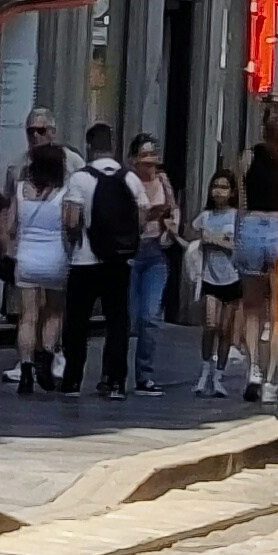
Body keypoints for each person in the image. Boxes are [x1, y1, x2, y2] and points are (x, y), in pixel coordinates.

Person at [72, 122, 142, 397]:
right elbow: (143, 215)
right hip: (119, 261)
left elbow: (70, 218)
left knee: (78, 322)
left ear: (90, 145)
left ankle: (73, 379)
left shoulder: (80, 178)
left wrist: (74, 242)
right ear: (113, 146)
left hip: (84, 259)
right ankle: (114, 380)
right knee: (117, 321)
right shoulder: (130, 178)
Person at [5, 144, 73, 392]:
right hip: (55, 259)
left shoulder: (21, 190)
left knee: (27, 317)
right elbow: (69, 225)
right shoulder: (64, 193)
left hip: (26, 260)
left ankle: (25, 370)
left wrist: (12, 247)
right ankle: (45, 356)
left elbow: (10, 226)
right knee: (54, 313)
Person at [238, 107, 278, 387]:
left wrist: (237, 234)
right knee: (277, 310)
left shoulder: (249, 156)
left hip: (252, 225)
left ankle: (254, 370)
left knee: (252, 307)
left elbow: (242, 201)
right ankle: (270, 377)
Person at [126, 134, 180, 394]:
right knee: (127, 317)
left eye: (154, 156)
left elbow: (173, 210)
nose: (150, 161)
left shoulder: (163, 182)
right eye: (145, 156)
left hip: (155, 251)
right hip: (131, 252)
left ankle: (144, 374)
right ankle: (113, 373)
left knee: (150, 316)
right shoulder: (127, 183)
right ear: (133, 159)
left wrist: (170, 224)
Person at [191, 165, 248, 397]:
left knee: (225, 330)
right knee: (210, 324)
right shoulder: (204, 217)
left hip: (232, 279)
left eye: (224, 187)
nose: (218, 191)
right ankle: (204, 371)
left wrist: (217, 241)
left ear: (232, 192)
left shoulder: (237, 218)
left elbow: (238, 246)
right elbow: (193, 238)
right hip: (210, 278)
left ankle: (219, 376)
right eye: (215, 186)